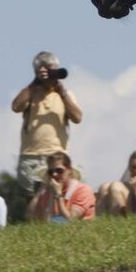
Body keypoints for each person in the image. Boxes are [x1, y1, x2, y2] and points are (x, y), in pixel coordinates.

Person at [10, 51, 83, 196]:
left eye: (51, 69)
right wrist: (35, 83)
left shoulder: (65, 94)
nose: (49, 74)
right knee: (33, 200)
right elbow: (16, 106)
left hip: (57, 156)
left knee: (58, 195)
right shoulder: (30, 92)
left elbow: (77, 117)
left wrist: (62, 92)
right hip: (31, 157)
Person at [27, 152, 95, 222]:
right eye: (50, 172)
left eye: (59, 170)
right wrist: (41, 191)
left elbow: (71, 220)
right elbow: (30, 217)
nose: (54, 174)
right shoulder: (48, 192)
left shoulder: (83, 190)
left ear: (69, 170)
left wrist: (59, 195)